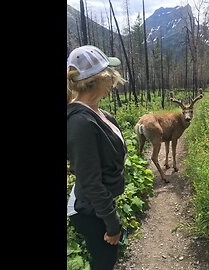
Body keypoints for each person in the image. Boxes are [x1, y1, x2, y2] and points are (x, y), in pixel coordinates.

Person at [66, 45, 127, 270]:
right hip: (88, 209)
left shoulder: (98, 113)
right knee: (104, 260)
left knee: (108, 257)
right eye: (110, 73)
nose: (114, 78)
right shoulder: (80, 123)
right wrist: (113, 223)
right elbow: (90, 182)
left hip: (98, 203)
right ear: (99, 78)